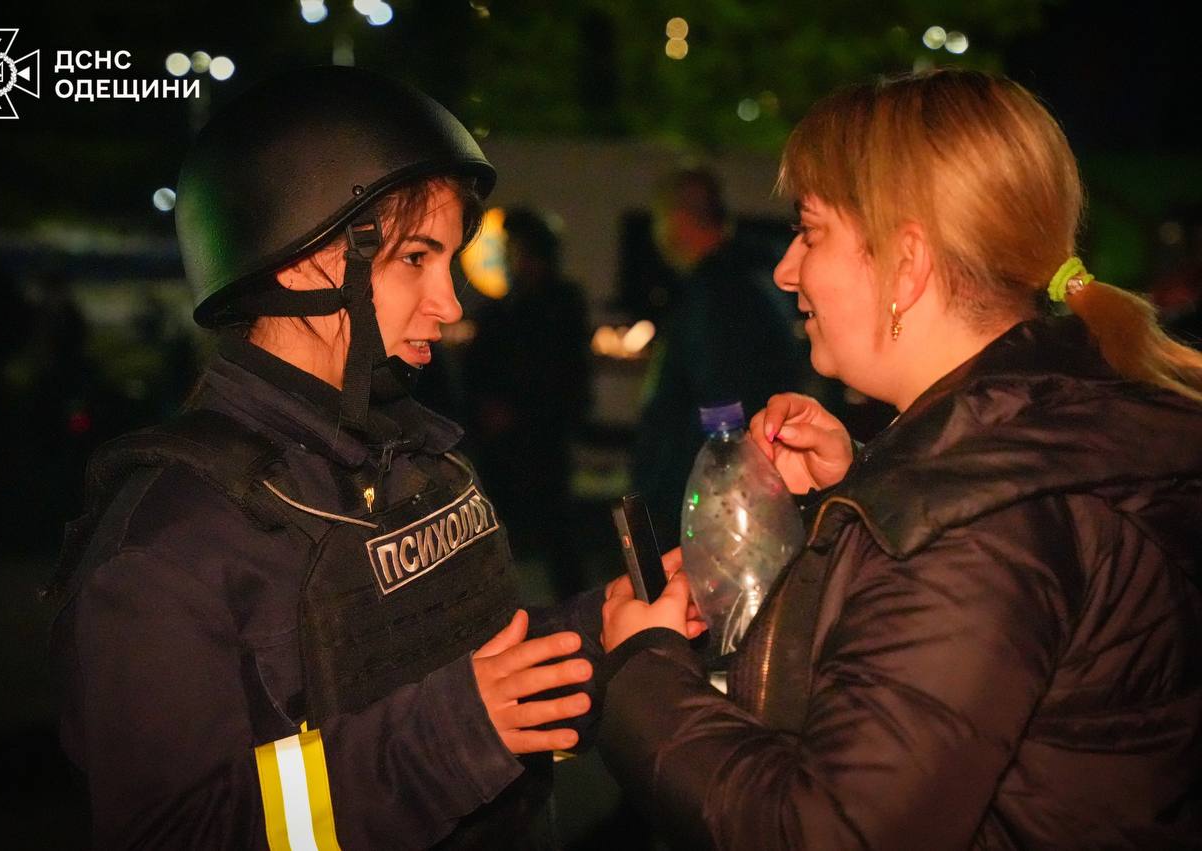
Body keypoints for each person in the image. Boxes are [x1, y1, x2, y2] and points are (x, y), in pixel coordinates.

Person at [597, 69, 1202, 849]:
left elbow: (828, 831)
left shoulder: (981, 521)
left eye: (810, 231)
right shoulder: (1038, 441)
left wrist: (644, 672)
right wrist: (868, 482)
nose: (786, 270)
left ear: (907, 264)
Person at [48, 67, 606, 850]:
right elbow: (182, 830)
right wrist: (454, 737)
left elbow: (469, 661)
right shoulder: (166, 546)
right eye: (417, 258)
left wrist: (606, 627)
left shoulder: (416, 461)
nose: (450, 303)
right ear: (305, 259)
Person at [631, 167, 808, 544]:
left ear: (678, 218)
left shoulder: (714, 294)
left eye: (661, 218)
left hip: (700, 500)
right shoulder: (750, 281)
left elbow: (721, 397)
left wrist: (706, 484)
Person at [464, 208, 592, 598]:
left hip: (541, 441)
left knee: (555, 541)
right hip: (506, 447)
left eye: (514, 247)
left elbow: (566, 378)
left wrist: (519, 414)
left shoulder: (559, 306)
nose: (508, 256)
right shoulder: (502, 312)